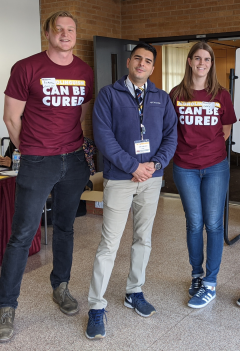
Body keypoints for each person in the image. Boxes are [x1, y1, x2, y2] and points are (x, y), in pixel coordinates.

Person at [0, 11, 93, 343]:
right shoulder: (27, 67)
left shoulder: (84, 71)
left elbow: (81, 117)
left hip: (73, 161)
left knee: (66, 227)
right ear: (47, 33)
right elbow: (11, 117)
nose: (65, 34)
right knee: (22, 235)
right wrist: (35, 150)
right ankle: (6, 307)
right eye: (59, 29)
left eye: (71, 29)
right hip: (39, 161)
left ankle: (61, 286)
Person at [85, 42, 178, 340]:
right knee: (108, 244)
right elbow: (103, 137)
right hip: (120, 178)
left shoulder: (161, 98)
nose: (142, 64)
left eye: (148, 61)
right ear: (128, 62)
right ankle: (97, 307)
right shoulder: (108, 95)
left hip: (151, 178)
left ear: (153, 67)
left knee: (144, 238)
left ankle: (133, 291)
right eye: (137, 58)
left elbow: (170, 136)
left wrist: (156, 164)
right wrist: (132, 166)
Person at [170, 42, 237, 309]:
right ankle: (196, 275)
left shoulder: (221, 94)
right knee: (194, 223)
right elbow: (169, 129)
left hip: (215, 167)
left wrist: (210, 149)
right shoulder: (176, 93)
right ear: (189, 62)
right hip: (185, 166)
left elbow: (227, 127)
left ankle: (210, 282)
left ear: (211, 63)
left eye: (206, 59)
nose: (202, 63)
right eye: (197, 58)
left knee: (214, 224)